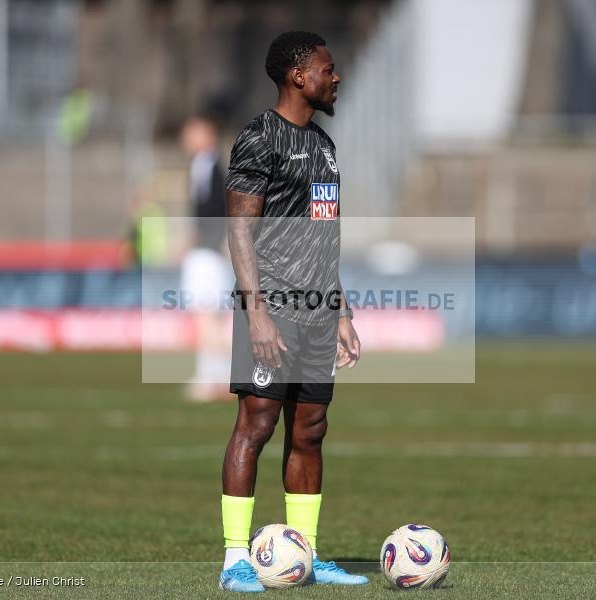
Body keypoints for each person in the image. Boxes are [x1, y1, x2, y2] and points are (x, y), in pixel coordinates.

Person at [217, 31, 366, 592]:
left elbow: (324, 237)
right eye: (329, 69)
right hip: (271, 308)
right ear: (299, 76)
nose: (336, 77)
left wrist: (342, 311)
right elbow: (240, 231)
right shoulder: (259, 139)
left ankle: (306, 553)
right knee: (255, 425)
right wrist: (256, 313)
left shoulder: (325, 146)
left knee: (311, 429)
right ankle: (235, 557)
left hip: (317, 312)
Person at [179, 115, 233, 402]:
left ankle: (212, 376)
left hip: (209, 253)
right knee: (208, 316)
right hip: (205, 250)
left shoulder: (214, 168)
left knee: (206, 315)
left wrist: (208, 241)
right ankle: (217, 375)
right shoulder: (199, 167)